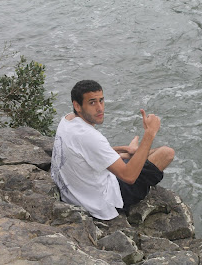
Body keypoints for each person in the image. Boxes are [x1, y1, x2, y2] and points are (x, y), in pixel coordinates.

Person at [51, 80, 174, 220]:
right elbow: (129, 177)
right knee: (166, 153)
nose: (100, 108)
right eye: (92, 102)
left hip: (73, 194)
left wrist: (123, 150)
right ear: (77, 105)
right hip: (105, 201)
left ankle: (132, 152)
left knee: (133, 154)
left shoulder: (67, 120)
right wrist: (150, 133)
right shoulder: (90, 136)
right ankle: (133, 153)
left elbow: (87, 151)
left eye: (101, 101)